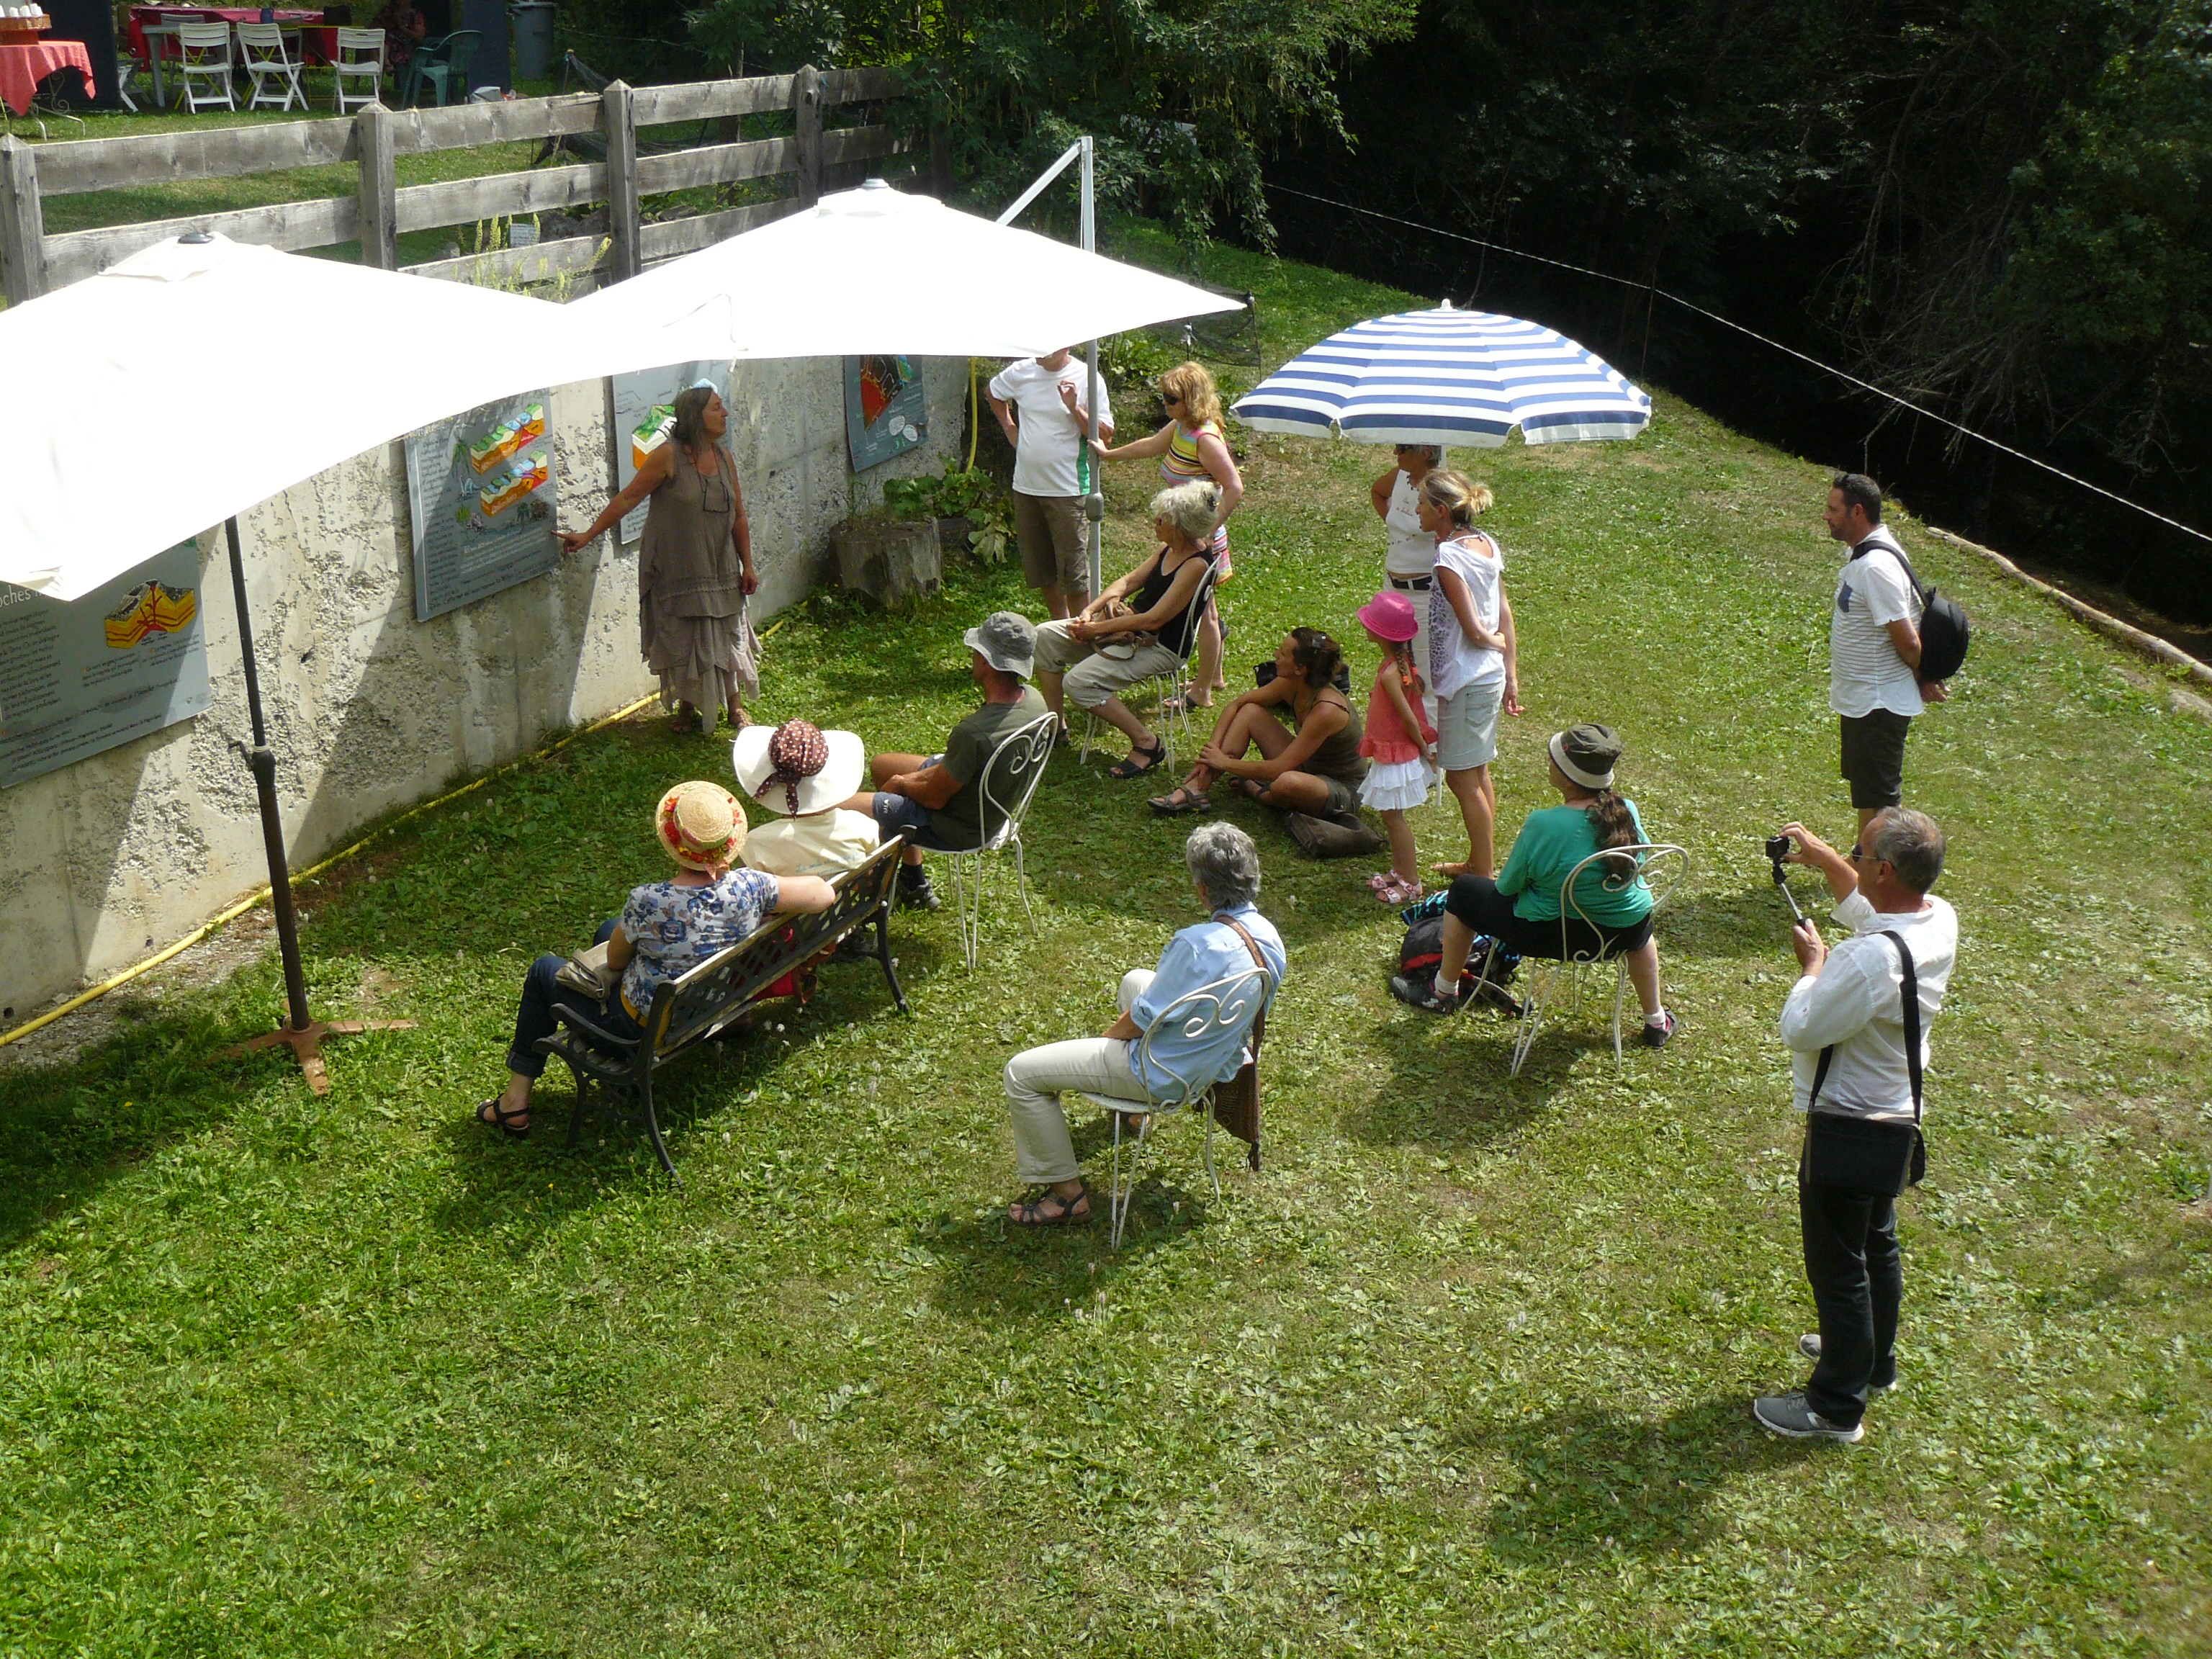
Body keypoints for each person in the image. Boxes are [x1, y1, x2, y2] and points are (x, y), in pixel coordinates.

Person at [472, 781, 835, 1138]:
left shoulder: (648, 902)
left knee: (543, 971)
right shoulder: (751, 886)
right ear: (728, 844)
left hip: (640, 1031)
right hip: (711, 1006)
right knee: (610, 927)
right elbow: (822, 894)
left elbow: (615, 963)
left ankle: (514, 1104)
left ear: (674, 843)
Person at [1755, 809, 1957, 1443]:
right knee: (1876, 1243)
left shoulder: (1866, 961)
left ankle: (1835, 1406)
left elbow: (1803, 1027)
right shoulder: (1938, 918)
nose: (1854, 855)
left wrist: (1812, 967)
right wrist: (1824, 860)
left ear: (1886, 869)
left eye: (1859, 851)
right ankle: (1874, 1361)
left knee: (1838, 1264)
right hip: (1896, 1116)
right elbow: (1879, 919)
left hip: (1848, 1120)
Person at [999, 822, 1286, 1226]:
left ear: (1203, 889)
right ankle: (1136, 1117)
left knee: (1021, 1074)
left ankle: (1068, 1196)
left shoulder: (1197, 944)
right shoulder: (1268, 937)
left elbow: (1141, 1019)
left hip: (1162, 1076)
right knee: (1136, 979)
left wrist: (1104, 1045)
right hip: (1212, 1064)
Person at [1390, 724, 1673, 1045]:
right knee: (1642, 931)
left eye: (1553, 760)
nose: (1548, 763)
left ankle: (1441, 993)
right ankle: (1656, 1021)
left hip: (1549, 936)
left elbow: (1506, 888)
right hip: (1620, 936)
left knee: (1464, 892)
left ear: (1568, 776)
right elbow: (1640, 868)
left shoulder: (1545, 823)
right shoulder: (1627, 811)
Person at [561, 385, 760, 734]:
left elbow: (739, 516)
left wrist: (749, 564)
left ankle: (735, 706)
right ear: (696, 417)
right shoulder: (667, 457)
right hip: (679, 568)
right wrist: (589, 534)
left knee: (726, 634)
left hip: (721, 565)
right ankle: (687, 706)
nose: (725, 413)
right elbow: (627, 499)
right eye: (717, 408)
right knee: (684, 636)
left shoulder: (726, 459)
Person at [841, 611, 1051, 913]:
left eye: (976, 650)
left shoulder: (973, 733)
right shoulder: (1033, 700)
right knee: (882, 764)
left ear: (986, 662)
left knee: (844, 807)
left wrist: (902, 784)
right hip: (993, 803)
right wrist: (908, 779)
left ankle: (863, 908)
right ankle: (914, 883)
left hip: (958, 825)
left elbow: (934, 799)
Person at [1032, 481, 1220, 781]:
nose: (1156, 522)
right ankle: (1056, 727)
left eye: (1163, 519)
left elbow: (1153, 620)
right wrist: (1090, 611)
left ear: (1182, 527)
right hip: (1130, 632)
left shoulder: (1195, 565)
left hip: (1160, 647)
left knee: (1079, 683)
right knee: (1044, 635)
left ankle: (1147, 743)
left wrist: (1097, 629)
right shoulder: (1167, 549)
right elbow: (1127, 582)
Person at [1090, 361, 1244, 709]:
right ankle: (1213, 676)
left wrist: (1208, 528)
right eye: (1163, 396)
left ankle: (1202, 689)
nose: (1165, 403)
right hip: (1184, 536)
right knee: (1206, 612)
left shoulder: (1205, 440)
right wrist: (1110, 454)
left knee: (1205, 614)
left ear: (1191, 400)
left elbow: (1234, 487)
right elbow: (1150, 445)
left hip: (1200, 541)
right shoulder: (1181, 428)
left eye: (1171, 398)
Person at [1147, 628, 1377, 858]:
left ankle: (1257, 791)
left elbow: (1279, 769)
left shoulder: (1327, 710)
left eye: (1284, 653)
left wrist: (1224, 763)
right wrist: (1213, 751)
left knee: (1286, 783)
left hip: (1341, 787)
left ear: (1301, 669)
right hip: (1307, 764)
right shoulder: (1292, 683)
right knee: (1250, 712)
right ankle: (1196, 789)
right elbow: (1237, 705)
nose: (1276, 654)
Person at [1825, 472, 1947, 833]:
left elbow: (1908, 641)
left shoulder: (1877, 567)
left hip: (1879, 702)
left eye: (1834, 510)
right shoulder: (1864, 555)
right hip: (1865, 700)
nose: (1826, 516)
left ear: (1857, 512)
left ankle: (1883, 871)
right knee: (1869, 794)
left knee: (1882, 802)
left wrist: (1922, 678)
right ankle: (1866, 862)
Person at [1421, 469, 1521, 878]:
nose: (1416, 510)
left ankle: (1482, 872)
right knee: (1478, 773)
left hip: (1467, 679)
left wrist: (1493, 642)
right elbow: (1505, 614)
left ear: (1442, 511)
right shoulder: (1485, 544)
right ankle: (1481, 862)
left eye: (1423, 504)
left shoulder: (1449, 558)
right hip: (1490, 677)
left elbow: (1476, 630)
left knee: (1462, 781)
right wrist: (1511, 672)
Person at [989, 348, 1115, 621]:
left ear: (1065, 345)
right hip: (1026, 487)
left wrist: (1074, 407)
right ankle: (1060, 627)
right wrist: (1010, 427)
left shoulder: (1087, 377)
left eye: (1046, 347)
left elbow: (1105, 435)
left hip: (1068, 490)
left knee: (1075, 572)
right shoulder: (1022, 372)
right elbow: (993, 391)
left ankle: (1084, 630)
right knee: (1042, 568)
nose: (1038, 352)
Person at [1352, 590, 1439, 906]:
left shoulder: (1392, 674)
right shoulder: (1397, 667)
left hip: (1395, 754)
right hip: (1391, 751)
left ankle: (1412, 881)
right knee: (1392, 817)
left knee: (1394, 819)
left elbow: (1409, 719)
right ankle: (1401, 870)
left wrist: (1425, 749)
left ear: (1379, 633)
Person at [732, 719, 878, 877]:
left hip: (790, 903)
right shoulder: (862, 826)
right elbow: (870, 874)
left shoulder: (755, 845)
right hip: (849, 902)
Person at [1370, 442, 1443, 718]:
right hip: (1393, 587)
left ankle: (1434, 751)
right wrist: (1396, 527)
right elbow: (1377, 492)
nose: (1395, 454)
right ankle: (1402, 735)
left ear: (1424, 453)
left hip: (1425, 592)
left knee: (1425, 673)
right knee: (1396, 665)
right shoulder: (1398, 476)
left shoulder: (1439, 488)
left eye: (1402, 449)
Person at [375, 0, 426, 71]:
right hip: (388, 42)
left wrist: (402, 27)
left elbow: (420, 37)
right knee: (377, 41)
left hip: (407, 45)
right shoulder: (392, 12)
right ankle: (382, 67)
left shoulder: (416, 15)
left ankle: (388, 65)